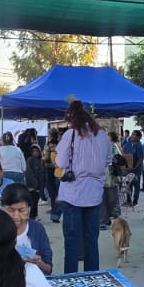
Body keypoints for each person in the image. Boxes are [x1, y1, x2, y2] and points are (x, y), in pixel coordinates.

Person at [54, 99, 112, 272]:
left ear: (71, 120)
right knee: (91, 240)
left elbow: (61, 161)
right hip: (94, 194)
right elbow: (108, 160)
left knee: (72, 242)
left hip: (73, 193)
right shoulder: (102, 135)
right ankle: (91, 277)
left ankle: (70, 280)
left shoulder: (70, 135)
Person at [2, 183, 53, 274]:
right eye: (10, 210)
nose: (16, 216)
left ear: (29, 208)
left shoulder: (37, 229)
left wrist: (39, 263)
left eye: (22, 210)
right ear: (2, 208)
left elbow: (48, 269)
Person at [121, 130, 144, 205]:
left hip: (136, 169)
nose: (132, 136)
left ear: (138, 137)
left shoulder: (139, 146)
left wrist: (135, 168)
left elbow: (140, 159)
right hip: (129, 168)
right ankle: (128, 200)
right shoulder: (129, 143)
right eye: (132, 134)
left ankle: (135, 200)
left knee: (136, 184)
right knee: (128, 184)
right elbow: (123, 150)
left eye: (134, 135)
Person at [45, 129, 63, 224]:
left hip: (54, 171)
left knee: (55, 194)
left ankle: (55, 214)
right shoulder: (57, 146)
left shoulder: (52, 146)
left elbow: (45, 157)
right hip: (55, 172)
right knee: (55, 194)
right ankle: (56, 214)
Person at [24, 145, 46, 220]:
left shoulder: (41, 161)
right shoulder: (30, 160)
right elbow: (29, 173)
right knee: (33, 201)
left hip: (39, 185)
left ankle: (34, 215)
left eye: (37, 151)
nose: (35, 153)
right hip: (32, 186)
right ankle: (32, 216)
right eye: (33, 151)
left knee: (36, 201)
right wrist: (34, 183)